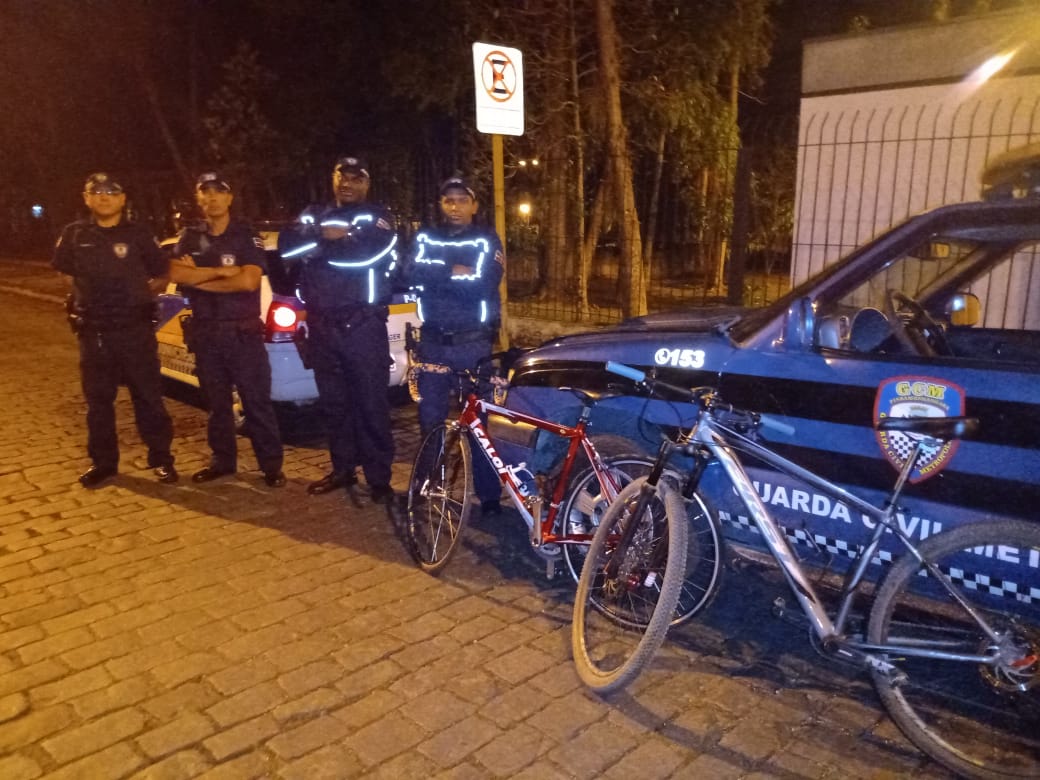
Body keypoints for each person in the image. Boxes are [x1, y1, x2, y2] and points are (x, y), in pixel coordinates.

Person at [277, 156, 397, 503]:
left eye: (356, 178)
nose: (347, 183)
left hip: (362, 326)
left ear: (367, 183)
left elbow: (362, 257)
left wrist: (317, 246)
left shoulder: (378, 217)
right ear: (332, 179)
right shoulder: (315, 213)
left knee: (371, 405)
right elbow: (287, 247)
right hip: (322, 326)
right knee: (334, 405)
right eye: (342, 176)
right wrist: (325, 235)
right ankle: (343, 469)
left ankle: (379, 480)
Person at [53, 172, 178, 487]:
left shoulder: (139, 234)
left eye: (111, 192)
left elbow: (162, 272)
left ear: (122, 199)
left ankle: (161, 458)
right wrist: (85, 296)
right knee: (98, 402)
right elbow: (64, 272)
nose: (104, 197)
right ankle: (104, 463)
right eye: (96, 192)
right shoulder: (74, 233)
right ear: (87, 199)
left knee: (148, 397)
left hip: (134, 329)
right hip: (94, 331)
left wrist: (139, 295)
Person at [168, 172, 285, 488]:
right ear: (198, 198)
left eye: (218, 191)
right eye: (205, 192)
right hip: (206, 334)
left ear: (229, 197)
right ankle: (223, 462)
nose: (212, 198)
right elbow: (176, 273)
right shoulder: (189, 236)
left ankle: (271, 467)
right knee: (216, 406)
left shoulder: (245, 235)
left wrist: (199, 278)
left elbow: (248, 281)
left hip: (243, 334)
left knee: (256, 403)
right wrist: (221, 272)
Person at [401, 175, 505, 514]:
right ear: (441, 204)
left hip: (473, 345)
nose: (455, 206)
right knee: (430, 421)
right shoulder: (426, 237)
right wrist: (452, 269)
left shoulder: (486, 239)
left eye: (462, 200)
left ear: (474, 206)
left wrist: (434, 274)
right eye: (449, 200)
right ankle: (427, 485)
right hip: (433, 343)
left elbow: (482, 283)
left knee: (478, 423)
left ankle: (489, 496)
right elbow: (408, 273)